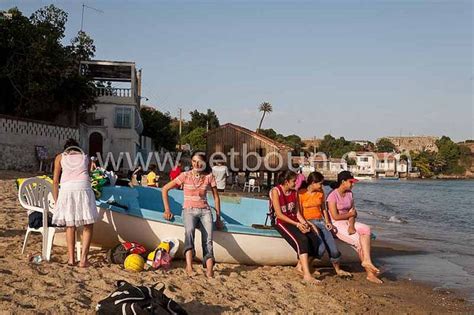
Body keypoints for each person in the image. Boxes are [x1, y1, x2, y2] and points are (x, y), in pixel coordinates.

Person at [161, 152, 224, 278]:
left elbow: (216, 198)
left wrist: (218, 218)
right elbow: (165, 189)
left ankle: (209, 270)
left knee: (208, 239)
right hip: (188, 210)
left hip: (205, 211)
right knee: (189, 232)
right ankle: (189, 266)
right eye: (194, 161)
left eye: (199, 161)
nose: (196, 164)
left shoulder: (209, 177)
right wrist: (167, 210)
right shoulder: (185, 175)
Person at [327, 171, 382, 283]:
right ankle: (370, 274)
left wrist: (351, 226)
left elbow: (353, 211)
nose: (353, 184)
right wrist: (351, 215)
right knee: (358, 241)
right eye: (351, 182)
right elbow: (335, 216)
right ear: (343, 182)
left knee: (366, 229)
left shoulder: (350, 194)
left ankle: (366, 260)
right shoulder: (332, 196)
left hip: (348, 222)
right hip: (336, 224)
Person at [52, 139, 99, 267]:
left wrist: (57, 201)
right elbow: (89, 174)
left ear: (65, 149)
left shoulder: (60, 157)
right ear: (77, 148)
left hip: (67, 189)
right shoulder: (85, 157)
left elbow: (55, 181)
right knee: (88, 224)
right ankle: (83, 259)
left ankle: (71, 259)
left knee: (70, 224)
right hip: (83, 187)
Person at [270, 170, 321, 284]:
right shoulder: (276, 191)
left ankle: (300, 267)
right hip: (281, 222)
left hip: (293, 220)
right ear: (286, 181)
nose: (296, 183)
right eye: (294, 181)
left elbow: (297, 212)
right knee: (302, 240)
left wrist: (304, 224)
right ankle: (307, 275)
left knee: (314, 238)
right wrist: (297, 224)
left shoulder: (294, 192)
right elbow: (279, 214)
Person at [298, 172, 351, 277]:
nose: (321, 186)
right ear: (313, 183)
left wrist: (327, 222)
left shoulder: (320, 192)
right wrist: (307, 224)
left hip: (321, 221)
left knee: (334, 250)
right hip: (309, 222)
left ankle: (337, 269)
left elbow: (323, 209)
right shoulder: (301, 193)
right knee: (321, 248)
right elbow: (298, 212)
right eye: (320, 184)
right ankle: (304, 266)